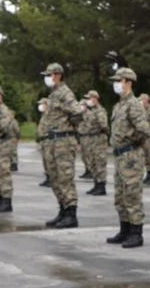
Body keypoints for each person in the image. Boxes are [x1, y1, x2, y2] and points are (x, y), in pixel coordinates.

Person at [106, 67, 150, 248]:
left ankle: (136, 233)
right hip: (119, 157)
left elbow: (144, 130)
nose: (116, 84)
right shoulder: (119, 105)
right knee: (120, 195)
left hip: (130, 155)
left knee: (132, 195)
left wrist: (132, 143)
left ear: (129, 83)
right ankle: (124, 229)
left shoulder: (133, 105)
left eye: (119, 81)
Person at [39, 62, 83, 228]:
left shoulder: (65, 93)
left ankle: (71, 214)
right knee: (55, 178)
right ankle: (63, 209)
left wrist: (68, 127)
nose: (46, 79)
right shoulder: (53, 94)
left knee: (65, 177)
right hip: (52, 141)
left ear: (57, 75)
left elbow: (77, 112)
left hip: (63, 141)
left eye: (48, 75)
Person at [79, 90, 109, 198]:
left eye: (89, 98)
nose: (88, 100)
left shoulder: (100, 111)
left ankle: (101, 186)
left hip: (98, 139)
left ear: (95, 98)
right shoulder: (91, 111)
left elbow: (104, 126)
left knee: (99, 162)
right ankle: (96, 184)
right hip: (91, 139)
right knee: (93, 162)